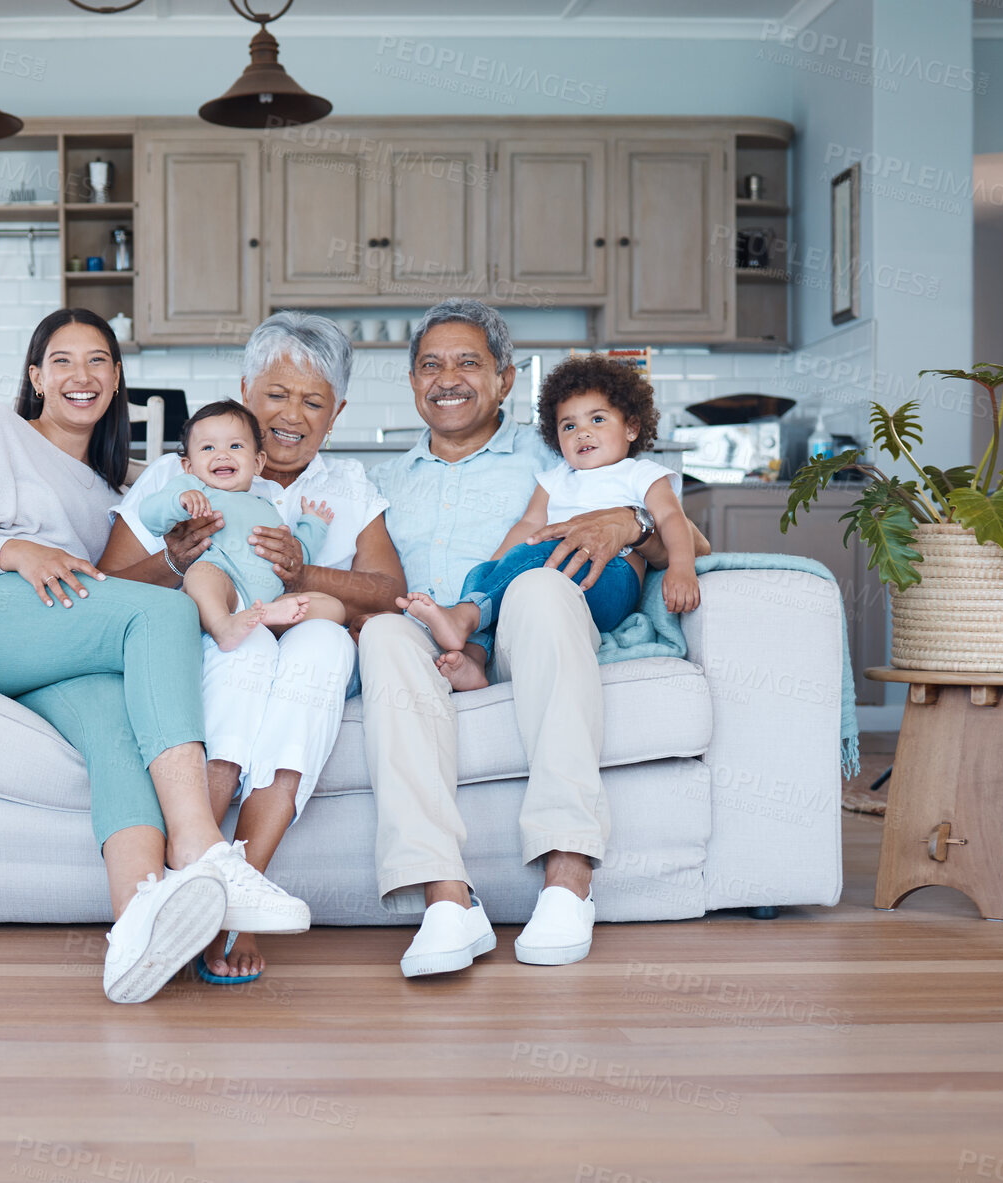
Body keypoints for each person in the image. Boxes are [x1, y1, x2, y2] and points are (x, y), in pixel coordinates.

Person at [0, 308, 310, 1006]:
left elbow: (105, 596)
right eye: (61, 360)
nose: (80, 375)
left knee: (117, 731)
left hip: (52, 645)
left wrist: (169, 560)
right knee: (173, 613)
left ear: (117, 378)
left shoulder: (113, 489)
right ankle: (199, 846)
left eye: (97, 361)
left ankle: (137, 925)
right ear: (34, 376)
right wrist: (13, 550)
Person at [361, 298, 710, 979]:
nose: (447, 377)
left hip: (532, 625)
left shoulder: (559, 451)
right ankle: (446, 899)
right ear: (411, 383)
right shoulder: (380, 481)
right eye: (430, 365)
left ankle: (568, 869)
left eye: (468, 362)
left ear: (504, 379)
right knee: (380, 634)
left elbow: (690, 539)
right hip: (428, 636)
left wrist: (630, 524)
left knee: (537, 585)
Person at [101, 311, 407, 983]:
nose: (290, 413)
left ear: (338, 412)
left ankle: (239, 898)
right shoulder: (183, 475)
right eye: (274, 393)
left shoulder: (348, 487)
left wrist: (305, 572)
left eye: (312, 400)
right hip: (219, 635)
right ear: (244, 389)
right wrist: (176, 560)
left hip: (305, 628)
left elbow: (389, 592)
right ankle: (189, 875)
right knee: (248, 653)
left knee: (324, 645)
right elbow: (108, 586)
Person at [401, 353, 699, 692]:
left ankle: (465, 615)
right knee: (482, 575)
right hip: (547, 581)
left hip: (609, 580)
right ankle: (472, 658)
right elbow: (528, 525)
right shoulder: (556, 478)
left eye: (598, 420)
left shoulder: (641, 474)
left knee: (537, 556)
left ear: (631, 427)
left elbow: (673, 519)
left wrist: (682, 568)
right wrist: (497, 566)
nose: (582, 433)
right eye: (569, 426)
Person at [138, 399, 344, 651]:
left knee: (333, 608)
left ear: (257, 463)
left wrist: (313, 525)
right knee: (200, 574)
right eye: (208, 448)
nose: (222, 454)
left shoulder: (266, 506)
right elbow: (149, 515)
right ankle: (222, 626)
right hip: (226, 590)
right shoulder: (194, 490)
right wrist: (178, 501)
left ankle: (265, 616)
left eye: (235, 446)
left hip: (272, 597)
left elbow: (296, 555)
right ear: (189, 467)